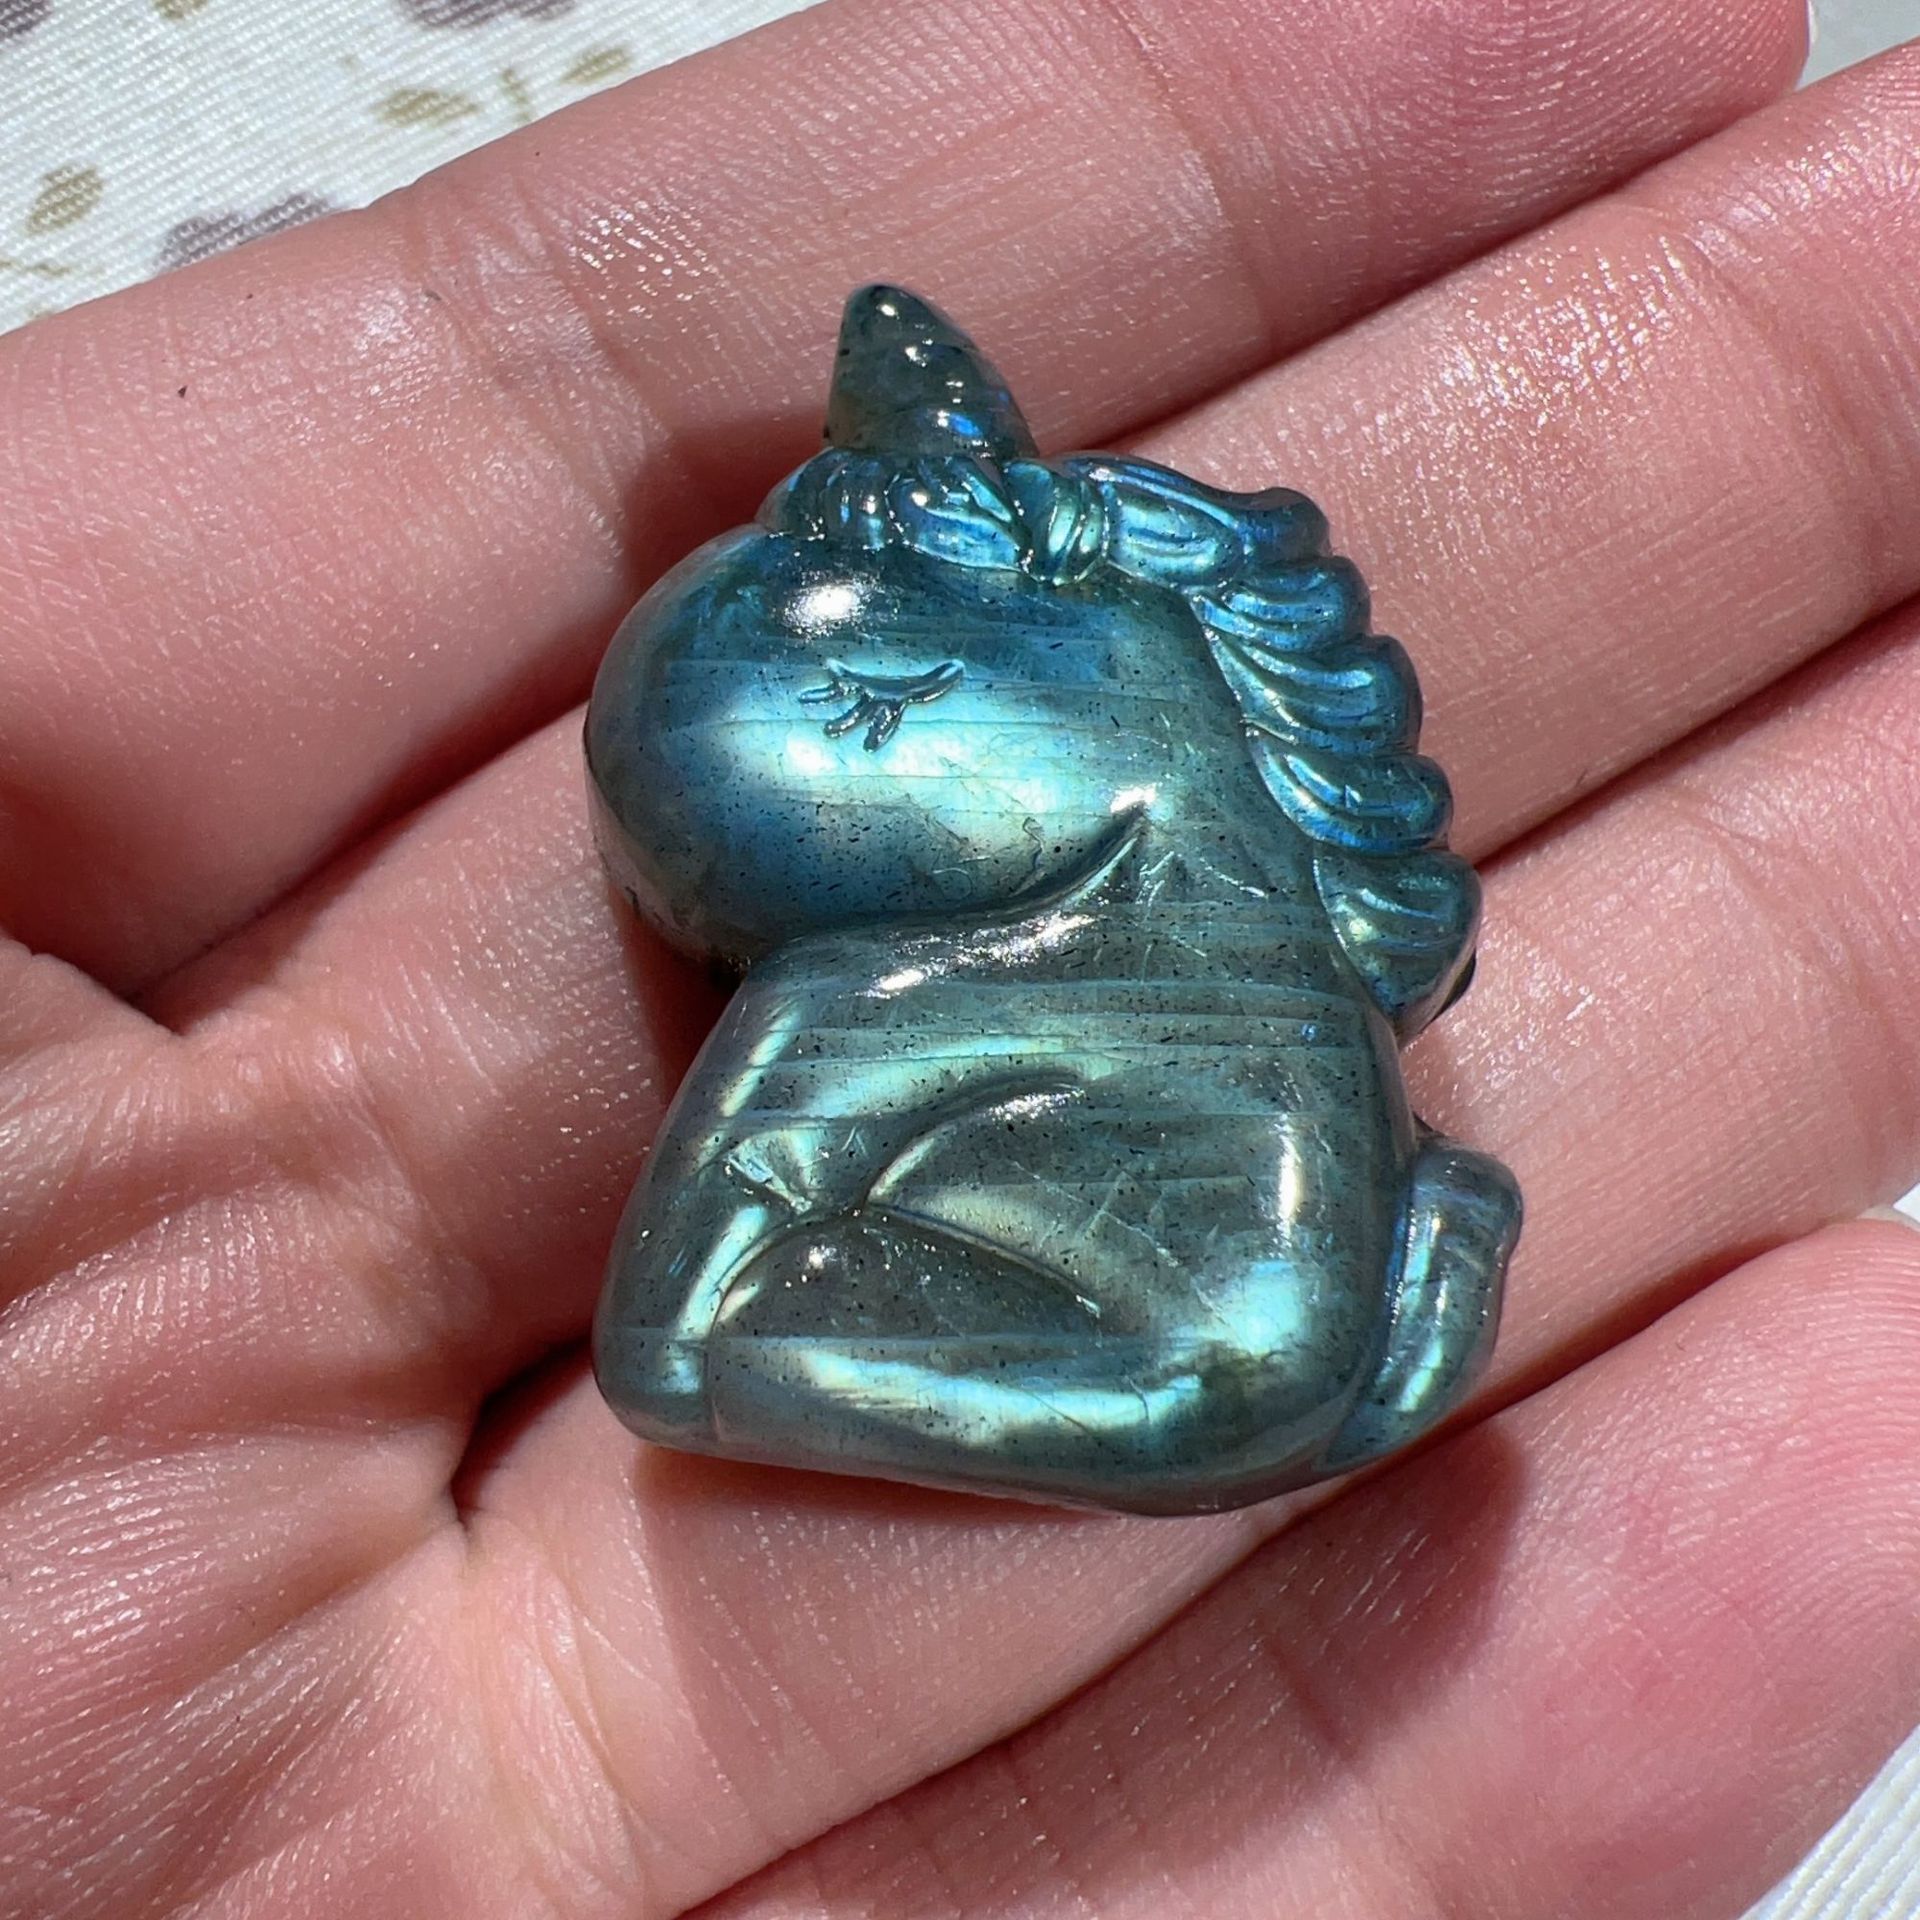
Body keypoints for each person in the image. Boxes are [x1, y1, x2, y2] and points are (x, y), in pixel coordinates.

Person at [2, 1, 1916, 1913]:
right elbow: (676, 1355)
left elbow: (808, 1343)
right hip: (1128, 1298)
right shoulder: (878, 999)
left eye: (870, 706)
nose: (813, 799)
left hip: (1222, 1285)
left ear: (1037, 668)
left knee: (1359, 1266)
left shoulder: (1032, 971)